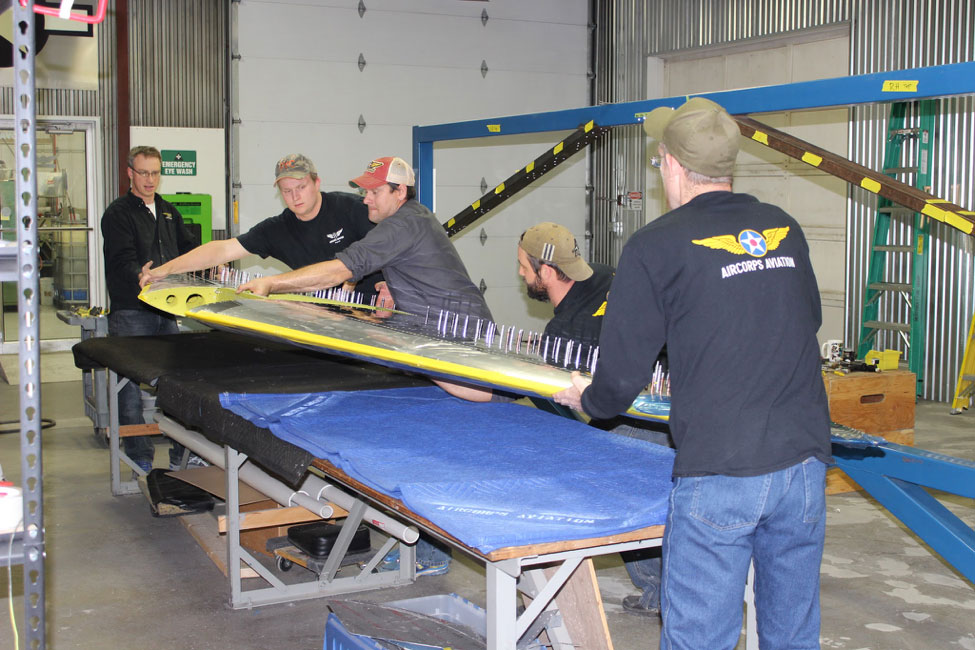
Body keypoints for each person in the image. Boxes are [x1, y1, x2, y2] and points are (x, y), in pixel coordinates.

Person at [554, 97, 832, 649]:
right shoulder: (785, 228)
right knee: (793, 630)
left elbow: (621, 373)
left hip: (721, 470)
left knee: (699, 636)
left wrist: (587, 399)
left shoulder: (655, 245)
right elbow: (806, 320)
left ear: (671, 164)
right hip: (804, 464)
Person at [240, 155, 495, 575]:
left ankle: (435, 553)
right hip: (431, 339)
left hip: (457, 341)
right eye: (364, 190)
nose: (365, 198)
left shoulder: (403, 223)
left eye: (375, 191)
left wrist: (274, 282)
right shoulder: (402, 222)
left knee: (450, 451)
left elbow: (344, 266)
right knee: (430, 450)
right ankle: (430, 552)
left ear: (400, 192)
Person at [517, 221, 670, 618]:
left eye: (523, 267)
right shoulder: (606, 273)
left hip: (641, 415)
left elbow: (580, 384)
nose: (520, 274)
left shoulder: (568, 331)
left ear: (546, 272)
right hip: (680, 396)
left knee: (620, 496)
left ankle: (661, 591)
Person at [138, 153, 384, 301]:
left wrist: (389, 285)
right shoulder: (277, 229)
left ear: (316, 182)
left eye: (301, 187)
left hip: (380, 311)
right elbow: (221, 250)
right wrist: (165, 270)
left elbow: (393, 248)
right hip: (330, 317)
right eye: (287, 191)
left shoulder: (353, 209)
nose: (295, 196)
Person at [101, 146, 199, 474]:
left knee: (175, 386)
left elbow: (188, 251)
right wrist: (139, 275)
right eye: (143, 173)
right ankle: (139, 460)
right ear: (130, 173)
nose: (150, 180)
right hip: (132, 311)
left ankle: (179, 455)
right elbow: (120, 259)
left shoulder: (169, 212)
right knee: (128, 387)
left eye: (155, 173)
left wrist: (214, 265)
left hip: (166, 311)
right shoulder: (118, 214)